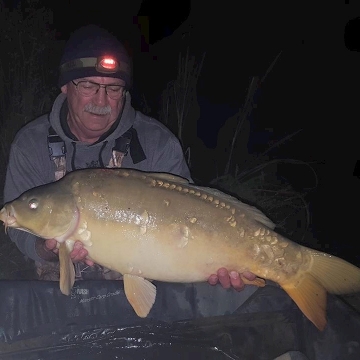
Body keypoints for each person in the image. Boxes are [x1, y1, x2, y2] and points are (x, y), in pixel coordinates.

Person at [3, 24, 255, 291]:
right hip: (55, 286)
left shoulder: (158, 143)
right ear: (66, 86)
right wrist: (45, 248)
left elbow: (191, 215)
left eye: (113, 89)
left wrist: (222, 264)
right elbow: (18, 229)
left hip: (145, 277)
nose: (100, 100)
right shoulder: (30, 144)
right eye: (88, 85)